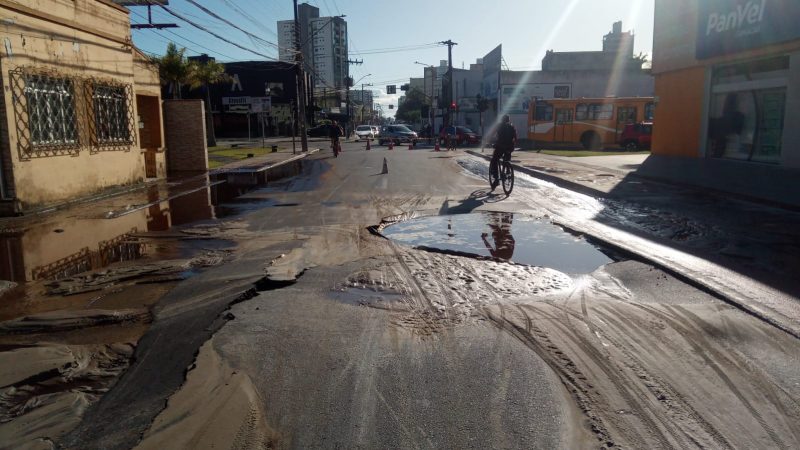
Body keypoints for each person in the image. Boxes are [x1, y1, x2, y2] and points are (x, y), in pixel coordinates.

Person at [490, 115, 517, 189]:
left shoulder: (499, 126)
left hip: (500, 146)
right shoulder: (512, 126)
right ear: (508, 120)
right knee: (507, 158)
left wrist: (491, 141)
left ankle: (496, 179)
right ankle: (508, 169)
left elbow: (493, 134)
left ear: (502, 120)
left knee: (494, 160)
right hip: (510, 147)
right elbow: (515, 137)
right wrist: (513, 145)